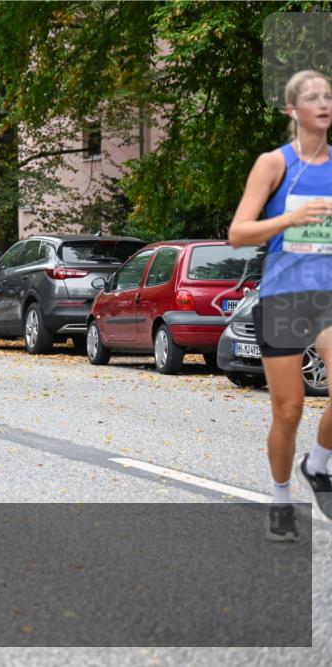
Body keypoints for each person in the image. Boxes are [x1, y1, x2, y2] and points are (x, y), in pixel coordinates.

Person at [229, 69, 332, 540]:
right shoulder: (274, 164)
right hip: (283, 296)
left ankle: (320, 462)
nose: (323, 103)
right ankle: (280, 499)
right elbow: (238, 232)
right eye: (313, 97)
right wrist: (291, 217)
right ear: (293, 110)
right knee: (288, 409)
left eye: (328, 96)